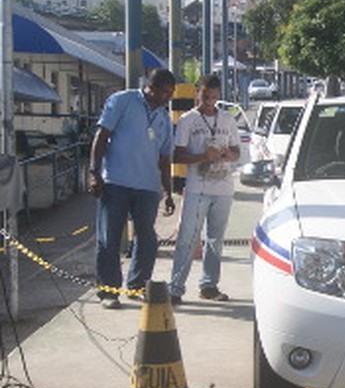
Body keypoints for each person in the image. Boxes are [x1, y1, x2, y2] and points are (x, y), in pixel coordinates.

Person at [89, 68, 176, 309]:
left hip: (148, 188)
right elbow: (101, 136)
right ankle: (109, 291)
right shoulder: (122, 101)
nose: (168, 98)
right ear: (152, 87)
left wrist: (167, 192)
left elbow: (164, 159)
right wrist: (94, 173)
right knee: (109, 238)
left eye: (171, 94)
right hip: (115, 182)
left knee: (147, 239)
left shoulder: (164, 118)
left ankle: (137, 285)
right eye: (166, 93)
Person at [168, 74, 241, 304]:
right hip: (198, 187)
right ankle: (176, 287)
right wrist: (202, 156)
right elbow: (177, 155)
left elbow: (237, 151)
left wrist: (229, 155)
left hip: (223, 187)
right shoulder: (188, 120)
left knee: (215, 239)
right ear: (197, 92)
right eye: (205, 96)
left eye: (214, 97)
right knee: (188, 238)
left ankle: (209, 285)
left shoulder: (228, 120)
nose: (209, 101)